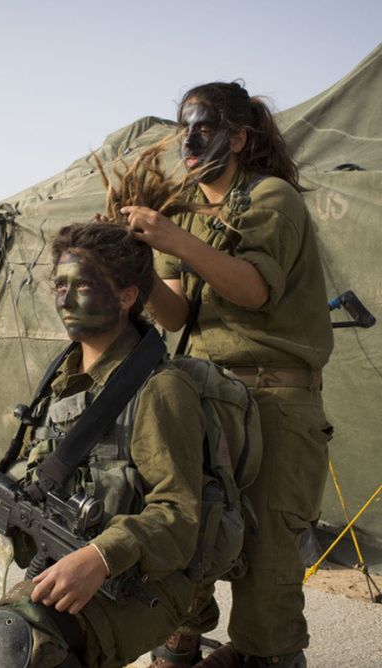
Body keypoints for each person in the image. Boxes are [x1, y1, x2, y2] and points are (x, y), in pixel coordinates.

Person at [0, 222, 249, 668]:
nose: (64, 297)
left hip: (142, 581)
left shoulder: (160, 390)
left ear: (127, 296)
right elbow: (43, 476)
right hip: (73, 563)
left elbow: (179, 517)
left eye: (83, 284)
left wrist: (101, 556)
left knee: (13, 640)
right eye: (60, 284)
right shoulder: (63, 381)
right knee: (12, 635)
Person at [120, 81, 334, 668]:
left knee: (266, 569)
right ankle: (182, 647)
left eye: (205, 128)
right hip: (204, 399)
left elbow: (254, 289)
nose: (188, 141)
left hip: (275, 403)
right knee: (189, 544)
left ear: (239, 138)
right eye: (183, 129)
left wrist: (174, 239)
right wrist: (138, 271)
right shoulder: (181, 212)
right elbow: (178, 313)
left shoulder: (272, 198)